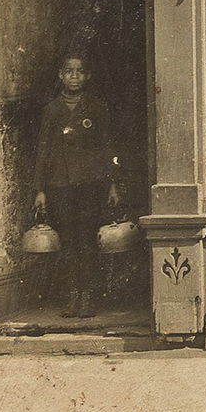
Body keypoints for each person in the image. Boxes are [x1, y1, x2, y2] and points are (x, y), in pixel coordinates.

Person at [33, 52, 120, 318]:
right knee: (69, 241)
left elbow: (107, 147)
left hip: (90, 183)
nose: (74, 76)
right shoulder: (52, 110)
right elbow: (43, 150)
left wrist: (113, 184)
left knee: (88, 240)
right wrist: (40, 190)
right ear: (61, 76)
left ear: (87, 76)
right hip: (61, 184)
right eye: (69, 71)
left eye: (79, 72)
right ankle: (73, 297)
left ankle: (88, 296)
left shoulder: (96, 108)